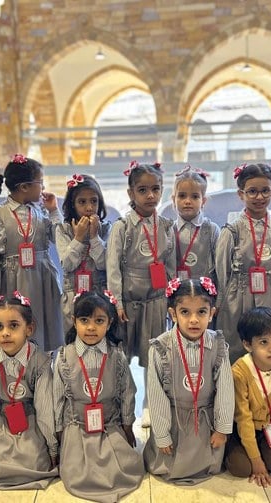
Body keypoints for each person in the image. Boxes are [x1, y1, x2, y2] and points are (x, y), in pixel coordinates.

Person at [53, 291, 144, 502]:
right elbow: (57, 398)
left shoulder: (116, 356)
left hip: (109, 424)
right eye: (84, 320)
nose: (91, 327)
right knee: (78, 472)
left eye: (99, 320)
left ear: (110, 323)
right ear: (74, 322)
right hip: (77, 426)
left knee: (123, 469)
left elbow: (127, 392)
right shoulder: (65, 356)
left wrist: (128, 425)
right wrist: (58, 431)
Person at [143, 277, 233, 484]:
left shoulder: (218, 345)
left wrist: (221, 428)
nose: (194, 320)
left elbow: (225, 390)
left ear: (211, 313)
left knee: (209, 458)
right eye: (185, 312)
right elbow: (156, 395)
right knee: (168, 460)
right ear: (173, 314)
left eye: (201, 311)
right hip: (174, 418)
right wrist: (162, 435)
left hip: (205, 419)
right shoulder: (161, 347)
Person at [107, 160, 175, 427]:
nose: (150, 196)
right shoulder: (122, 227)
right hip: (129, 304)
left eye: (155, 189)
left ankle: (150, 405)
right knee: (123, 358)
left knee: (153, 358)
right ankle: (124, 404)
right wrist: (117, 302)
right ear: (130, 193)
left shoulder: (166, 225)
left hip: (156, 301)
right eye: (143, 190)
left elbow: (169, 265)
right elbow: (113, 267)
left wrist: (171, 298)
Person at [0, 293, 58, 490]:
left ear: (29, 329)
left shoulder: (40, 361)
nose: (5, 333)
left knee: (34, 459)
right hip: (1, 419)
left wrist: (52, 448)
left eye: (14, 326)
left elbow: (45, 409)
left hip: (30, 420)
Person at [0, 153, 64, 351]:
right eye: (40, 183)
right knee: (15, 320)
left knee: (42, 324)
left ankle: (42, 365)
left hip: (42, 278)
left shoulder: (42, 211)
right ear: (25, 187)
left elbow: (59, 238)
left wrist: (54, 211)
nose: (43, 188)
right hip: (11, 280)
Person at [216, 163, 271, 362]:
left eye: (265, 191)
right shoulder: (232, 230)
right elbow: (222, 272)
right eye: (252, 192)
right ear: (241, 194)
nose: (259, 197)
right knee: (239, 350)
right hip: (239, 297)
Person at [225, 306, 271, 487]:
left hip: (269, 427)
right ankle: (237, 448)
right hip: (242, 429)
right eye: (264, 342)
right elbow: (243, 418)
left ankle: (263, 449)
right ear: (248, 345)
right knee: (241, 469)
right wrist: (256, 461)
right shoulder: (240, 373)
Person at [56, 173, 110, 333]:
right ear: (72, 205)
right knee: (74, 341)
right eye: (82, 202)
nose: (89, 207)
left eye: (94, 201)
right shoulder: (63, 229)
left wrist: (94, 237)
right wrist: (78, 238)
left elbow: (103, 264)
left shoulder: (106, 228)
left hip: (99, 294)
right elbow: (67, 264)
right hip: (72, 296)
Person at [171, 166, 220, 282]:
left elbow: (220, 268)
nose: (188, 201)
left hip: (206, 296)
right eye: (182, 196)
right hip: (176, 297)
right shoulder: (168, 230)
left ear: (203, 201)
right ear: (174, 199)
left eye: (195, 196)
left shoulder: (212, 230)